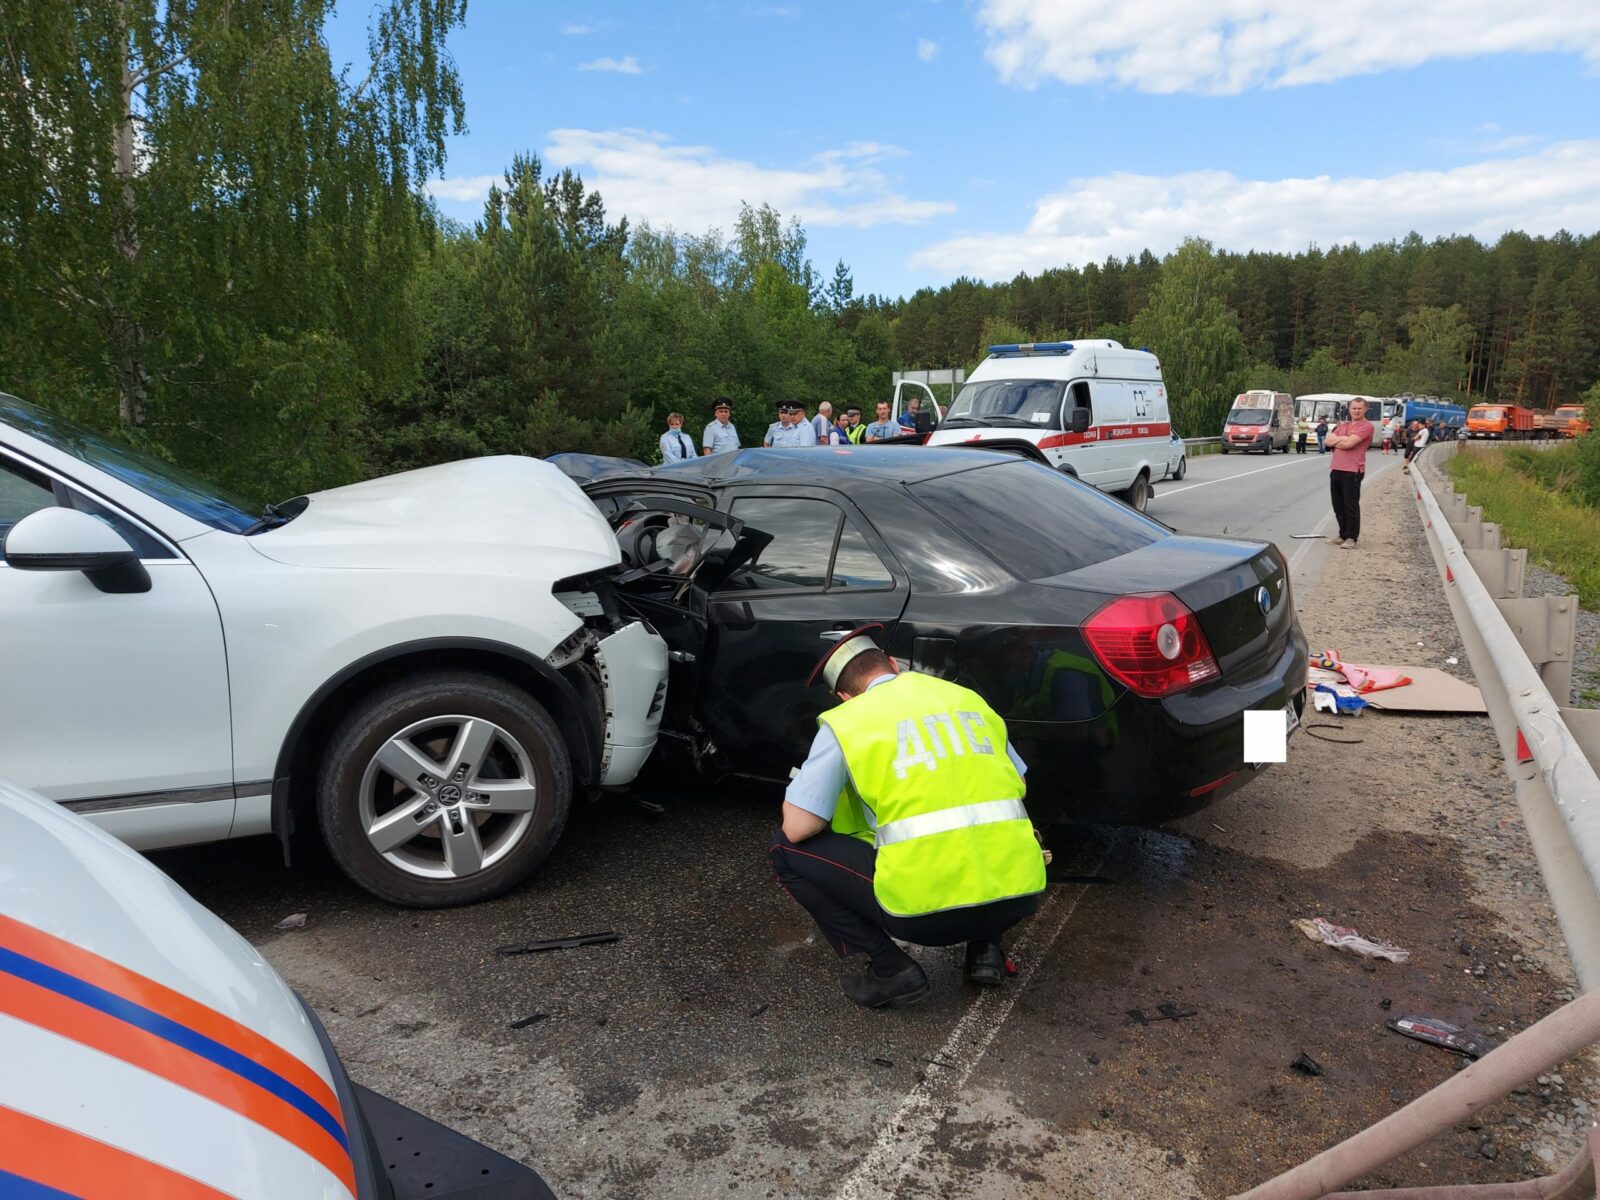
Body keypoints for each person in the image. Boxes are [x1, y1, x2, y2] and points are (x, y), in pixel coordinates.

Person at [767, 626, 1047, 1007]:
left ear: (844, 696)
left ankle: (891, 969)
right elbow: (1018, 783)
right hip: (1020, 896)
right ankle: (987, 950)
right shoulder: (964, 698)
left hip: (923, 918)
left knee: (783, 849)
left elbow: (799, 828)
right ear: (895, 666)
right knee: (987, 824)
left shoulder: (848, 720)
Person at [1326, 397, 1375, 549]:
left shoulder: (1367, 426)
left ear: (1365, 409)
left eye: (1359, 408)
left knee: (1350, 505)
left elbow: (1349, 444)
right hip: (1336, 468)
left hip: (1353, 470)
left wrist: (1340, 440)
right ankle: (1343, 534)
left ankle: (1352, 537)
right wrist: (1343, 439)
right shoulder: (1344, 425)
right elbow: (1328, 441)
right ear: (1349, 409)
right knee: (1338, 505)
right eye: (1354, 408)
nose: (1356, 411)